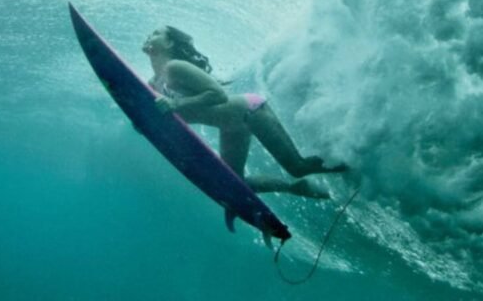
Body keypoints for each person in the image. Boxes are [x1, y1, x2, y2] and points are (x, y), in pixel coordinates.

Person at [142, 26, 347, 199]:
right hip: (231, 126)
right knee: (235, 182)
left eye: (156, 33)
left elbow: (218, 94)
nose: (149, 36)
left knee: (297, 167)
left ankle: (351, 163)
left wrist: (176, 104)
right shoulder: (154, 84)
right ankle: (293, 188)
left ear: (169, 43)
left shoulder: (175, 67)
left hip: (250, 112)